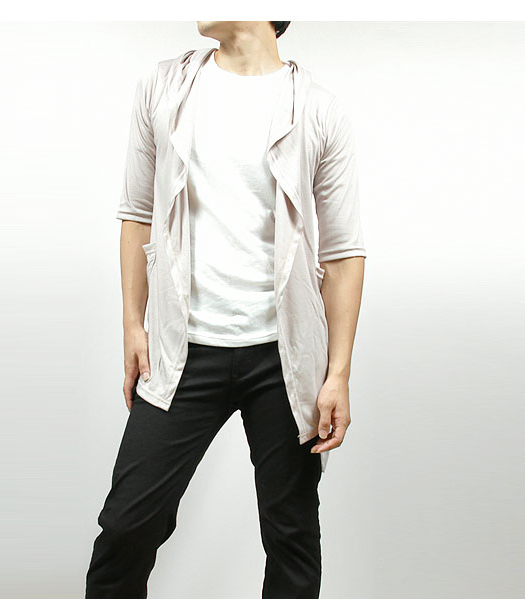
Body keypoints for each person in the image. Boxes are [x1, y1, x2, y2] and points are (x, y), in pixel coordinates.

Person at [86, 20, 366, 599]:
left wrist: (338, 372)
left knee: (292, 537)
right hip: (182, 351)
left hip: (283, 359)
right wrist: (133, 324)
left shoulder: (317, 110)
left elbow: (342, 252)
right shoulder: (164, 88)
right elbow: (137, 212)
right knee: (126, 528)